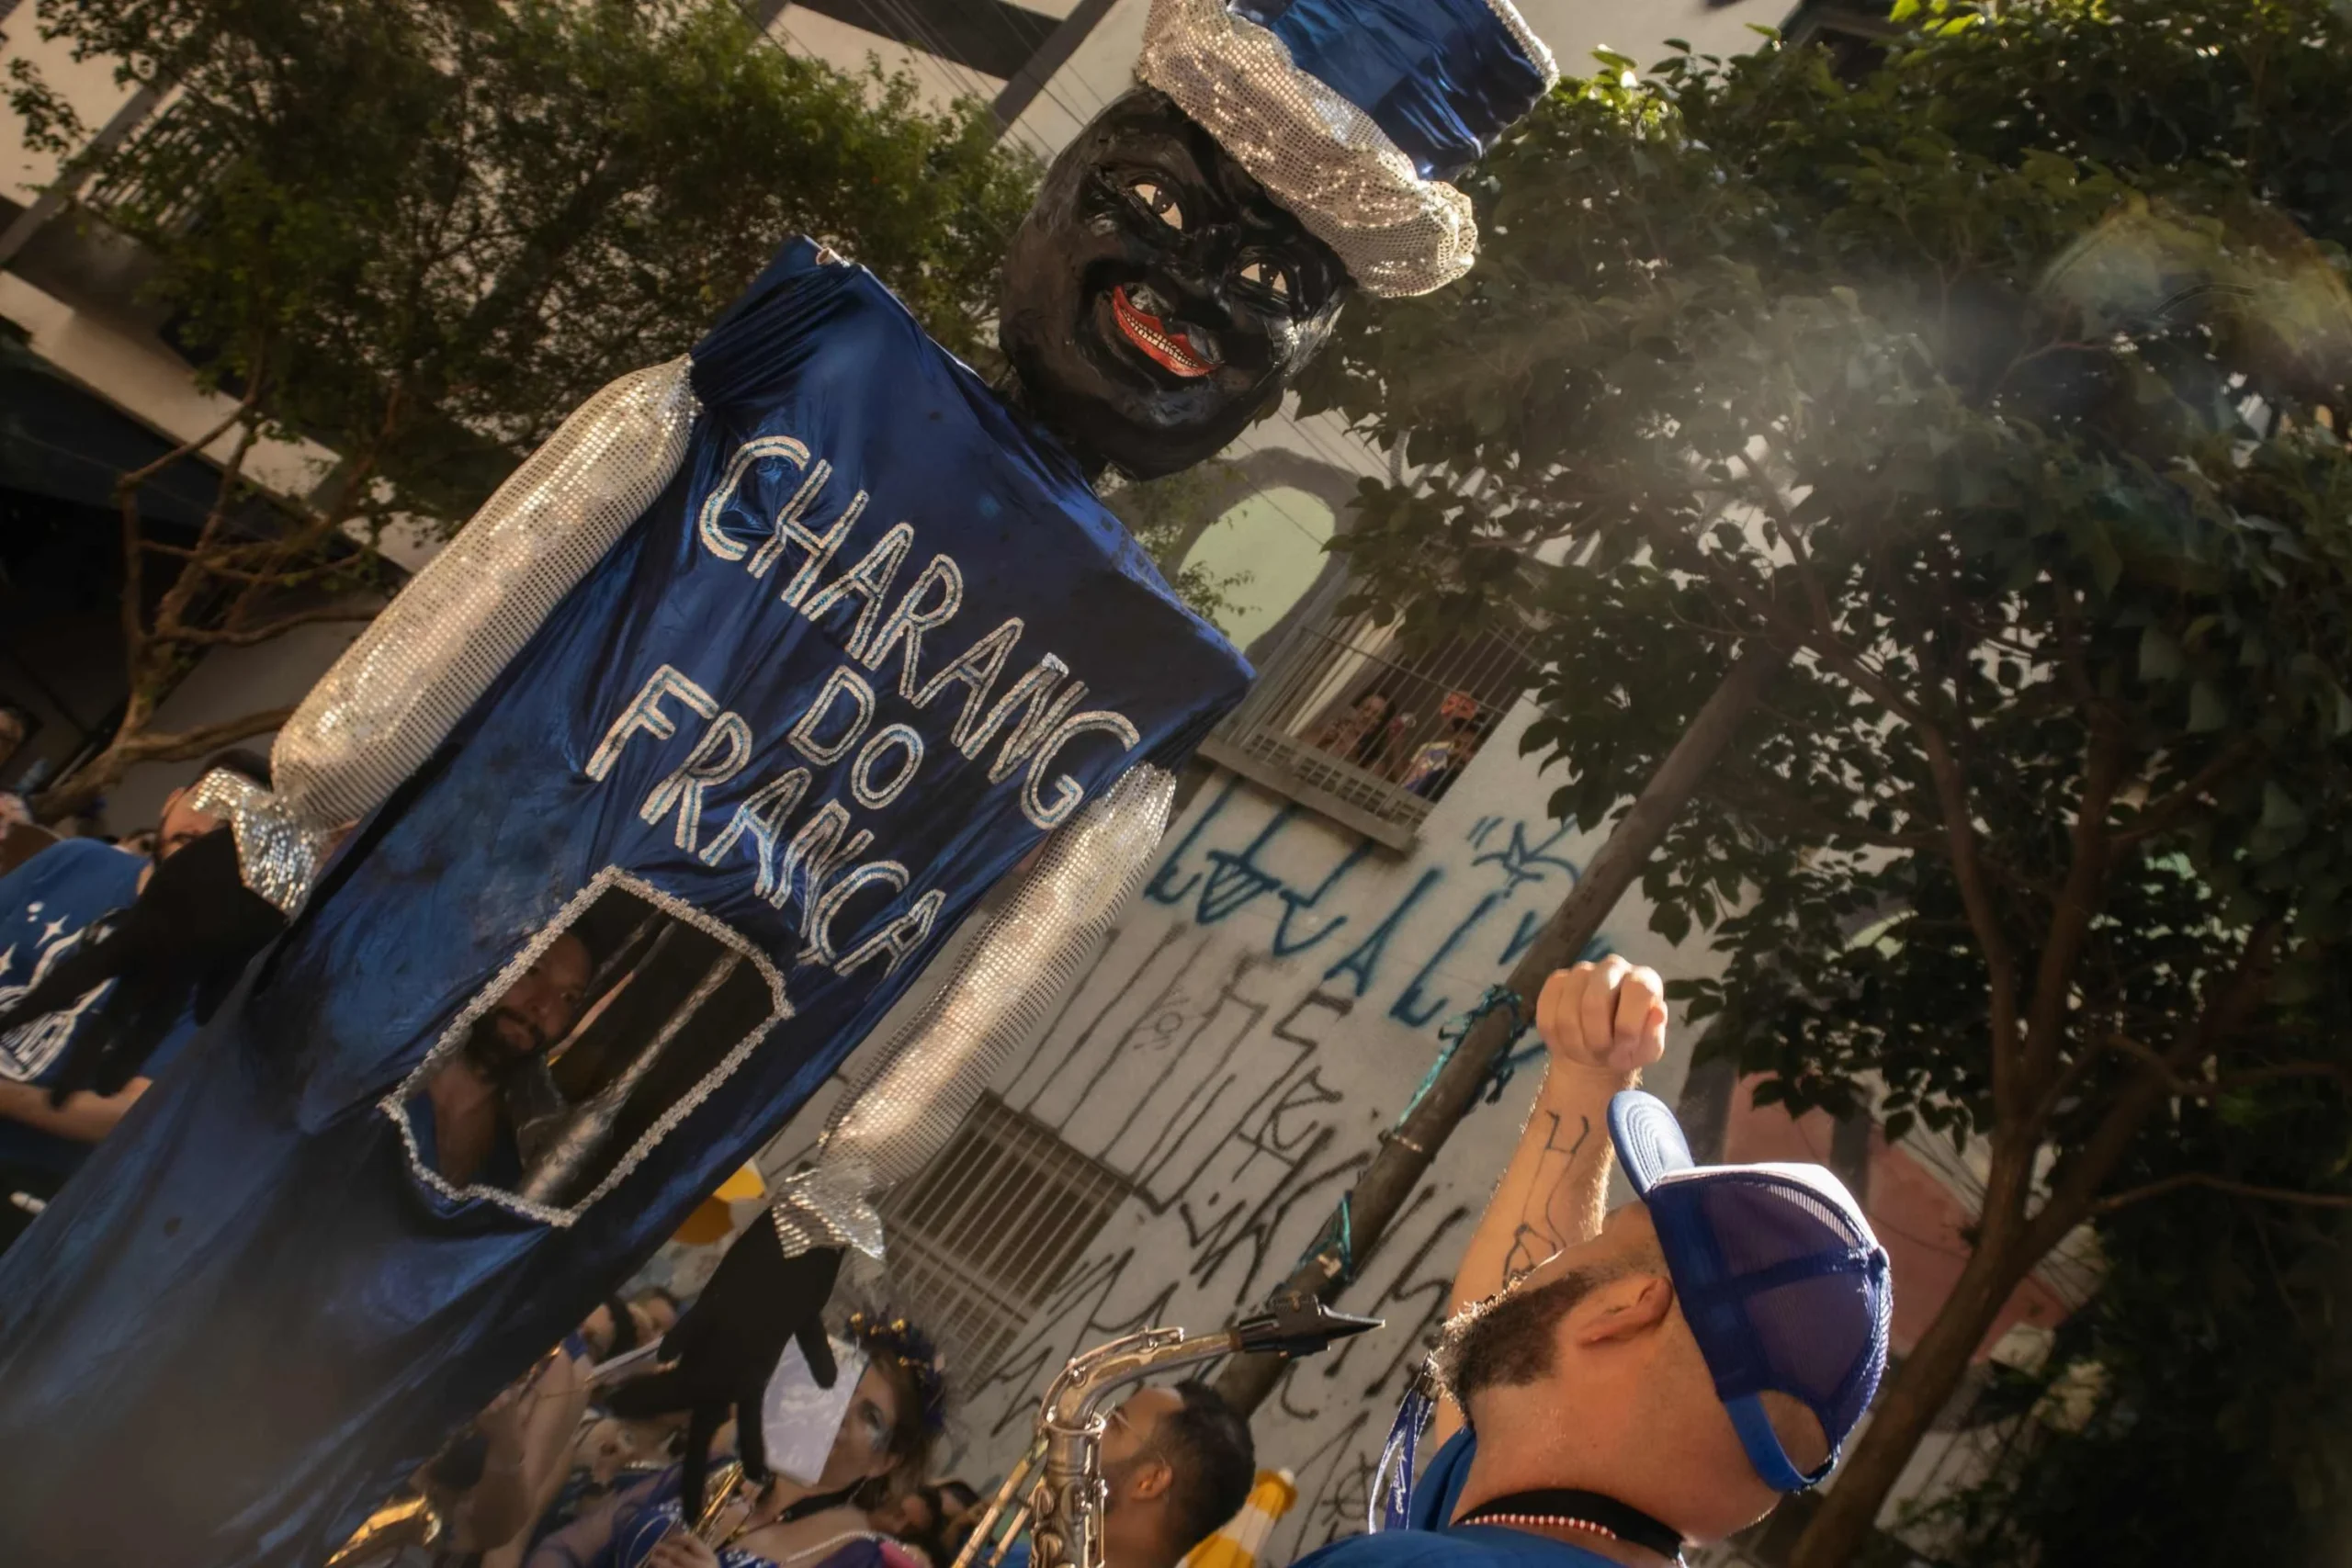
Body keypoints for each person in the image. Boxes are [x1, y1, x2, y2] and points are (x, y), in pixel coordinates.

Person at [1303, 957, 1892, 1568]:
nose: (1548, 1262)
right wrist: (1588, 1075)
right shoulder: (1546, 1519)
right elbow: (1531, 1361)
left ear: (1622, 1308)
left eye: (1598, 1237)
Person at [0, 748, 271, 1246]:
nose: (209, 825)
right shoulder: (76, 860)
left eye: (237, 823)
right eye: (205, 801)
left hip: (24, 1178)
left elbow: (127, 1112)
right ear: (172, 800)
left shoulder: (221, 960)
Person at [527, 1313, 946, 1568]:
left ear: (885, 1462)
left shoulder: (856, 1558)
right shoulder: (718, 1470)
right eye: (838, 1391)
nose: (838, 1416)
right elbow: (567, 1546)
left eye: (869, 1416)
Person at [413, 930, 595, 1185]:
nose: (543, 1006)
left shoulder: (522, 1159)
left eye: (568, 998)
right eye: (533, 969)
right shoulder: (381, 1077)